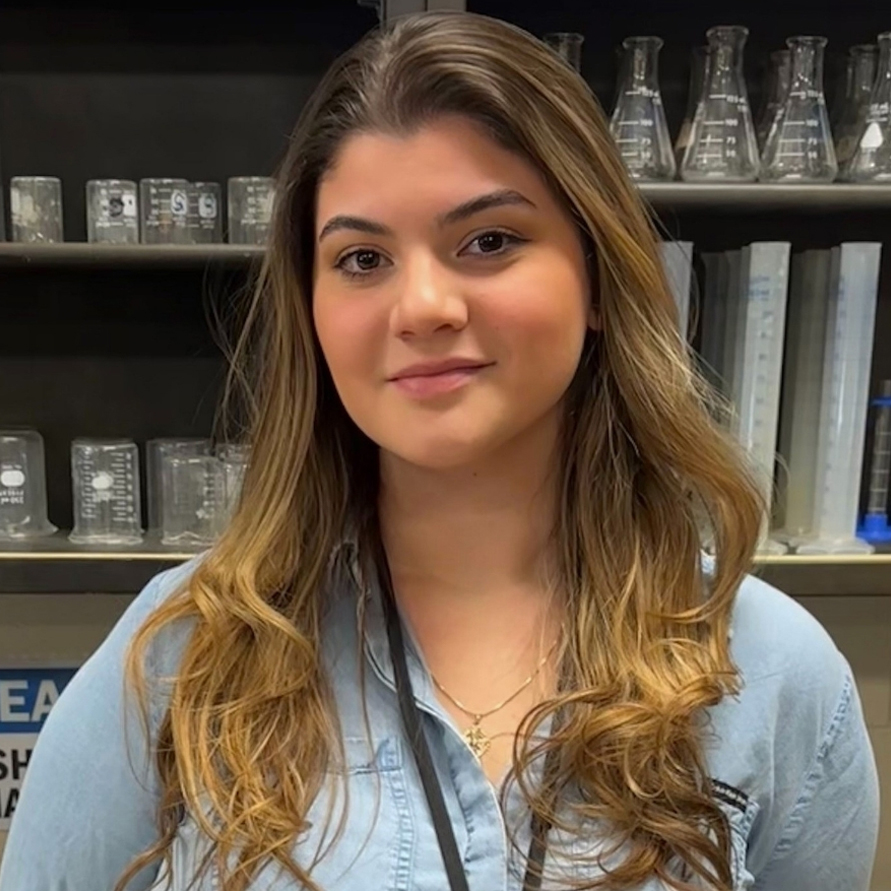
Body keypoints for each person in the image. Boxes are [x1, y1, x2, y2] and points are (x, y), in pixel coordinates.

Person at [0, 11, 879, 891]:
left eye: (489, 240)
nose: (422, 306)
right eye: (361, 258)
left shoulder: (773, 674)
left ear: (598, 277)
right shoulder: (180, 656)